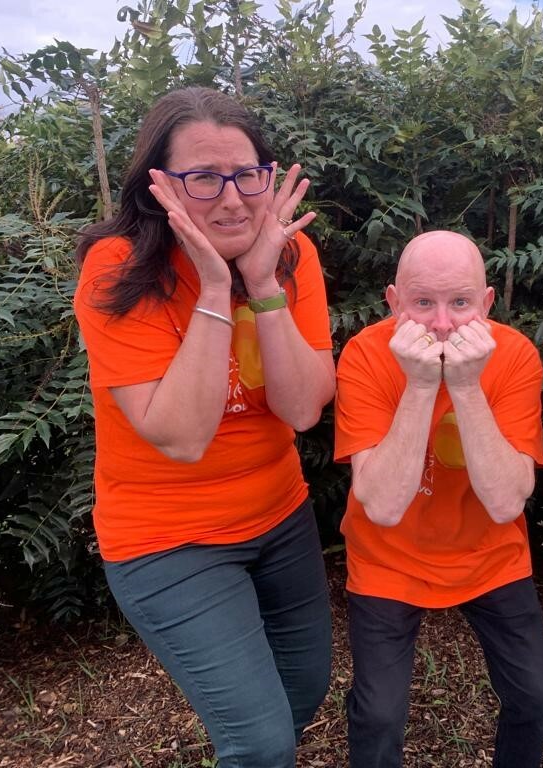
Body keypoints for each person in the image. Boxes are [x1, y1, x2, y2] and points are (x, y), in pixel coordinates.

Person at [73, 87, 334, 768]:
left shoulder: (291, 257)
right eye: (203, 178)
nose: (232, 198)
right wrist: (218, 288)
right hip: (167, 540)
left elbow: (304, 410)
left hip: (280, 516)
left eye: (246, 174)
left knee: (302, 696)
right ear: (159, 186)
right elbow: (182, 435)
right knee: (261, 741)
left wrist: (263, 283)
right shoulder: (118, 268)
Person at [334, 230, 543, 768]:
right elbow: (383, 506)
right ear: (393, 302)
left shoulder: (516, 355)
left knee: (536, 697)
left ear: (486, 303)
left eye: (459, 303)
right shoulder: (366, 355)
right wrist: (417, 386)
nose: (440, 324)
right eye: (421, 304)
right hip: (388, 557)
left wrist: (464, 386)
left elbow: (507, 503)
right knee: (379, 714)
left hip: (491, 554)